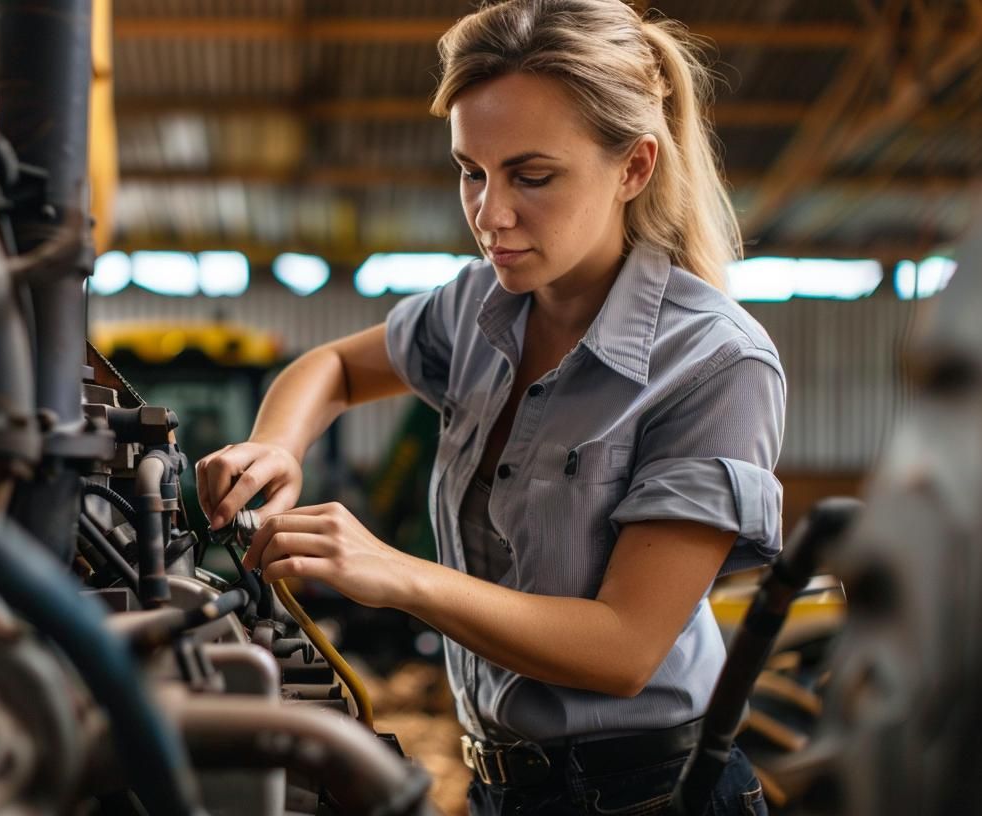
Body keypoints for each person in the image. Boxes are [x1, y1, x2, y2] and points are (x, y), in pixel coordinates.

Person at [195, 1, 783, 813]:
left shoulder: (714, 361)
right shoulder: (476, 308)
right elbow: (329, 366)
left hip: (648, 794)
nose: (489, 215)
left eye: (531, 177)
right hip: (500, 787)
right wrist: (276, 447)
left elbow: (624, 647)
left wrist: (399, 576)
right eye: (472, 171)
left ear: (634, 168)